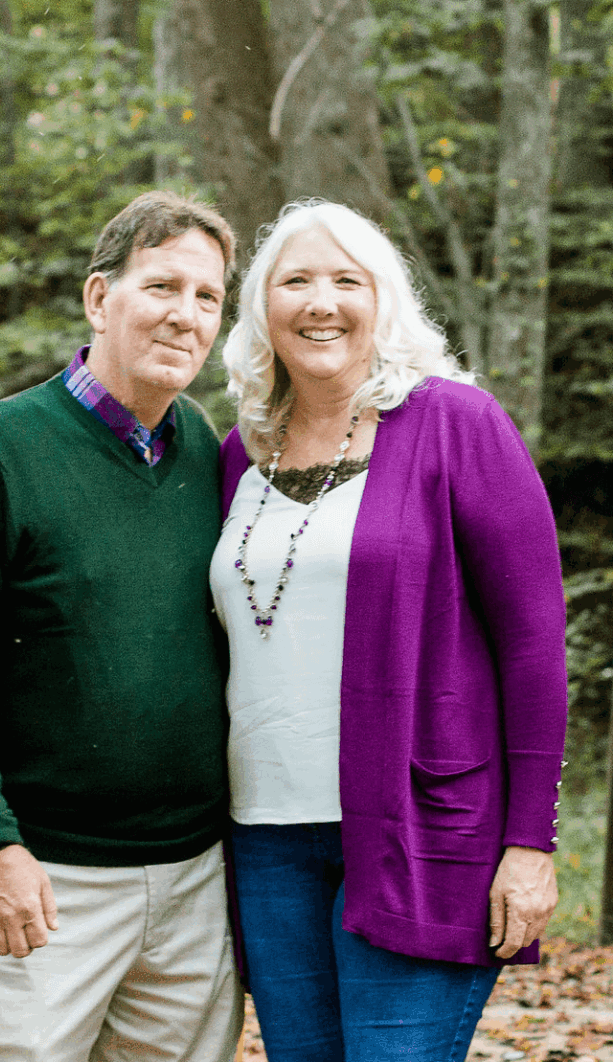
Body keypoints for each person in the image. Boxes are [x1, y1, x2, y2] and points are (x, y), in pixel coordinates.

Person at [209, 200, 568, 1062]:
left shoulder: (455, 424)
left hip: (423, 828)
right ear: (262, 309)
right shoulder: (238, 453)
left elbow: (532, 645)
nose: (320, 301)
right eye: (295, 280)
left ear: (386, 300)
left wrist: (530, 843)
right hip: (266, 840)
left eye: (346, 280)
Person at [0, 191, 244, 1062]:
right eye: (162, 286)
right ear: (100, 300)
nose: (186, 315)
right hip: (48, 877)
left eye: (208, 298)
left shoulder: (204, 449)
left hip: (197, 878)